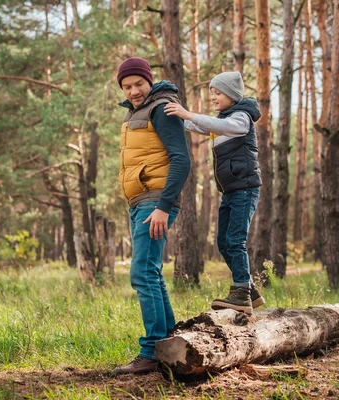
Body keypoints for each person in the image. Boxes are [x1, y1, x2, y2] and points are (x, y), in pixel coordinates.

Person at [113, 57, 191, 374]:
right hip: (142, 202)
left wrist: (162, 207)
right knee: (152, 273)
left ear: (149, 80)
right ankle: (169, 344)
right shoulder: (137, 112)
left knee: (142, 274)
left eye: (138, 84)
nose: (133, 91)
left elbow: (181, 160)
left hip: (154, 202)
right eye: (126, 86)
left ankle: (151, 351)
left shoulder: (162, 108)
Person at [164, 71, 264, 315]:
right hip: (230, 191)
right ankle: (249, 289)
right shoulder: (224, 118)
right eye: (212, 93)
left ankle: (241, 291)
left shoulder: (241, 117)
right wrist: (177, 116)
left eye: (217, 93)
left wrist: (188, 113)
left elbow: (221, 125)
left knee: (235, 240)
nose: (213, 98)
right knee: (223, 242)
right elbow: (200, 125)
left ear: (231, 94)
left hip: (245, 188)